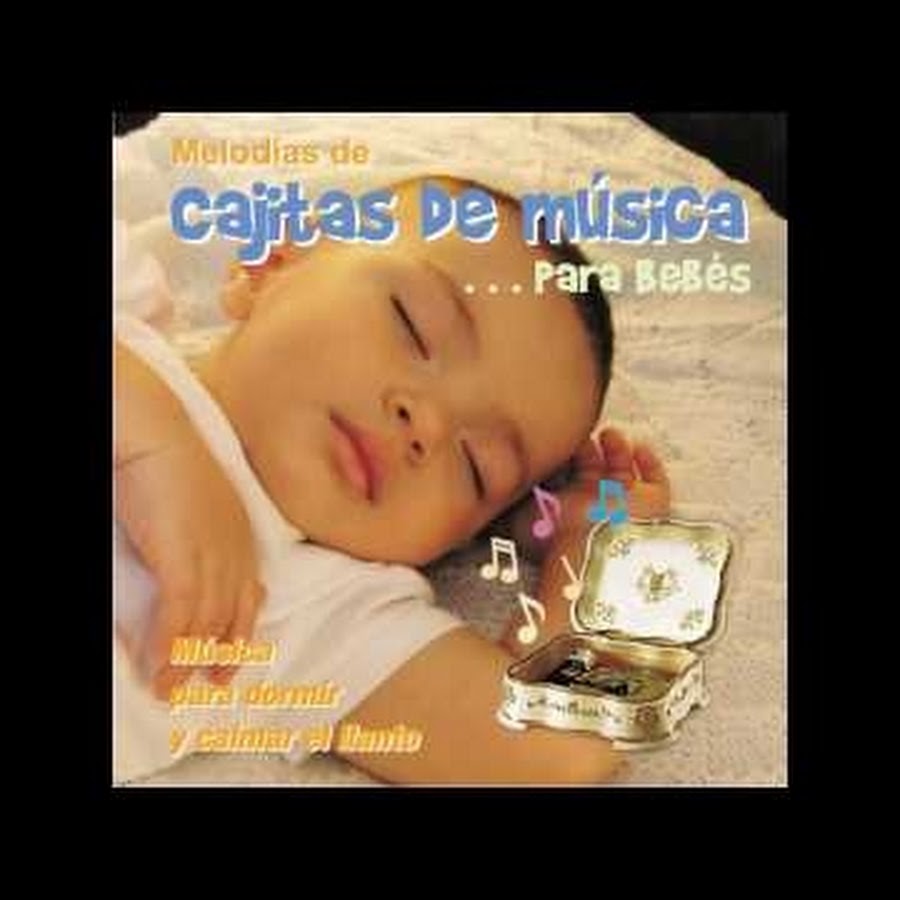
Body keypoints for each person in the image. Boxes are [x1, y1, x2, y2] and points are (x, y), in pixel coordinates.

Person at [114, 176, 671, 784]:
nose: (428, 425)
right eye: (412, 325)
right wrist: (154, 437)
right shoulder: (128, 307)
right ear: (273, 262)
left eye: (476, 466)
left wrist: (593, 556)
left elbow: (557, 750)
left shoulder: (325, 612)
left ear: (457, 542)